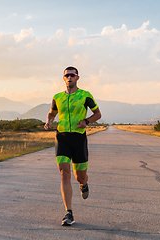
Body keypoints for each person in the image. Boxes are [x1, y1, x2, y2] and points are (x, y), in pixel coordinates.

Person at [44, 66, 101, 226]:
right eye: (66, 75)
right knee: (64, 173)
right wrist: (48, 121)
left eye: (72, 75)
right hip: (62, 137)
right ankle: (69, 212)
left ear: (77, 77)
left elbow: (98, 114)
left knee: (79, 176)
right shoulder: (57, 97)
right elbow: (52, 112)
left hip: (78, 138)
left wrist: (87, 121)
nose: (69, 78)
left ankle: (84, 184)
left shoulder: (85, 95)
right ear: (63, 78)